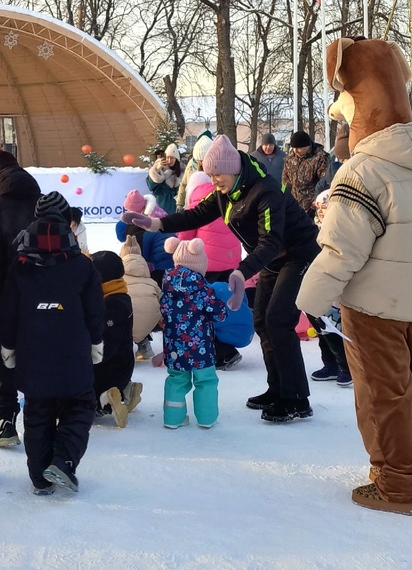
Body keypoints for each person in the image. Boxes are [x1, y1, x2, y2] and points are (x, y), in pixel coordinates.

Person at [297, 37, 412, 517]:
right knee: (404, 392)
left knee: (381, 398)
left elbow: (340, 250)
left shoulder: (362, 172)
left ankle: (399, 485)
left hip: (375, 305)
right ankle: (393, 470)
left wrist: (308, 301)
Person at [129, 135, 321, 424]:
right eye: (210, 174)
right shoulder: (225, 192)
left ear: (232, 169)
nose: (214, 179)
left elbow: (271, 241)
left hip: (299, 255)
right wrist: (157, 223)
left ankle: (296, 399)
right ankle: (277, 388)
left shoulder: (265, 191)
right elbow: (196, 215)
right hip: (274, 259)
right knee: (262, 321)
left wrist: (242, 271)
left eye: (217, 174)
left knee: (279, 321)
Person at [0, 192, 105, 494]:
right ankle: (64, 460)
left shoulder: (20, 265)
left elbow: (8, 310)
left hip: (32, 353)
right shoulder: (82, 266)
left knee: (37, 410)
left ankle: (40, 477)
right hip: (73, 353)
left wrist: (7, 345)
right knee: (80, 405)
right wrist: (97, 341)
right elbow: (96, 310)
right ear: (65, 221)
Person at [0, 148, 41, 448]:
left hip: (4, 300)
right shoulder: (42, 204)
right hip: (42, 298)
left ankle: (5, 422)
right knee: (37, 358)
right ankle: (41, 421)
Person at [158, 238, 232, 429]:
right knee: (205, 380)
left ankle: (173, 418)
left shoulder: (167, 287)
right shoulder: (203, 289)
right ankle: (207, 418)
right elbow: (220, 314)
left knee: (176, 379)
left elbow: (163, 311)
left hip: (174, 346)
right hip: (201, 348)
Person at [175, 171, 244, 369]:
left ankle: (220, 352)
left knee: (202, 312)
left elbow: (184, 238)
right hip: (231, 264)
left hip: (205, 266)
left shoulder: (196, 204)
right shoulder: (223, 199)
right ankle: (228, 348)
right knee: (223, 307)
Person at [90, 250, 142, 428]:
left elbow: (107, 348)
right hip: (122, 366)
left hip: (110, 370)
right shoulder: (120, 294)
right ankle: (127, 391)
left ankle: (106, 401)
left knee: (75, 404)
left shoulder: (112, 305)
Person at [308, 190, 351, 388]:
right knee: (319, 322)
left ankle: (346, 365)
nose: (321, 213)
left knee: (334, 322)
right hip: (318, 280)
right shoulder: (315, 227)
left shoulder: (343, 228)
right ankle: (330, 363)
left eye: (325, 208)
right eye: (319, 209)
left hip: (337, 283)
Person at [120, 235, 162, 360]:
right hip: (149, 323)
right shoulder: (151, 282)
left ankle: (123, 350)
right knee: (145, 310)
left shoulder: (119, 280)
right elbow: (161, 299)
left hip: (125, 326)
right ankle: (144, 345)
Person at [280, 131, 330, 218]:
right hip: (293, 208)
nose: (295, 151)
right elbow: (286, 183)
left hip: (313, 209)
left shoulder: (320, 158)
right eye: (293, 148)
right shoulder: (290, 159)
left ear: (308, 146)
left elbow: (324, 185)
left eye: (299, 148)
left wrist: (314, 206)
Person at [175, 130, 214, 211]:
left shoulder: (216, 171)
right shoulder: (191, 164)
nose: (200, 163)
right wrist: (180, 203)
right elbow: (184, 184)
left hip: (210, 208)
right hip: (191, 207)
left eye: (203, 160)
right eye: (198, 160)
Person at [146, 144, 183, 215]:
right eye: (168, 157)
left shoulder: (182, 171)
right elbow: (151, 186)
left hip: (175, 208)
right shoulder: (159, 169)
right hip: (160, 206)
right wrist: (157, 170)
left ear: (176, 159)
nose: (169, 160)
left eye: (172, 158)